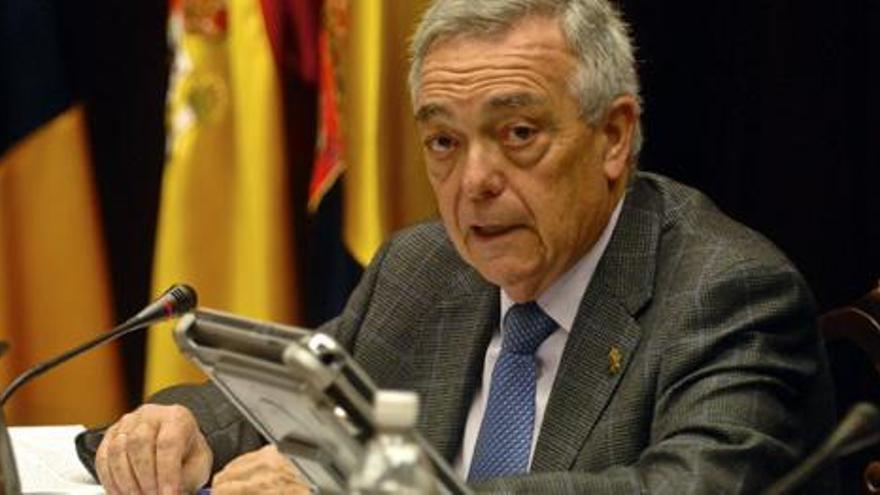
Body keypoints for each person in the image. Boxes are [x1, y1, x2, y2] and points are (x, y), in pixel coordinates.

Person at [78, 0, 838, 493]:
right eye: (444, 141)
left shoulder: (727, 293)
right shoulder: (424, 268)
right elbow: (298, 403)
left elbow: (682, 487)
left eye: (518, 133)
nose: (474, 182)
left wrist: (368, 489)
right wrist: (182, 429)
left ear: (613, 137)